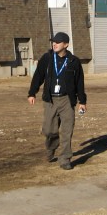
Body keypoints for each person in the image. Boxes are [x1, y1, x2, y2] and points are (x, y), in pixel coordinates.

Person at [27, 32, 87, 170]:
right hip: (50, 100)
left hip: (67, 100)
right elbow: (38, 76)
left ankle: (65, 158)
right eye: (53, 42)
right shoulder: (47, 58)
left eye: (58, 42)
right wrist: (32, 93)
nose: (54, 44)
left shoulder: (74, 61)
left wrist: (82, 101)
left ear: (66, 44)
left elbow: (80, 83)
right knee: (49, 130)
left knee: (67, 130)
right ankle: (51, 148)